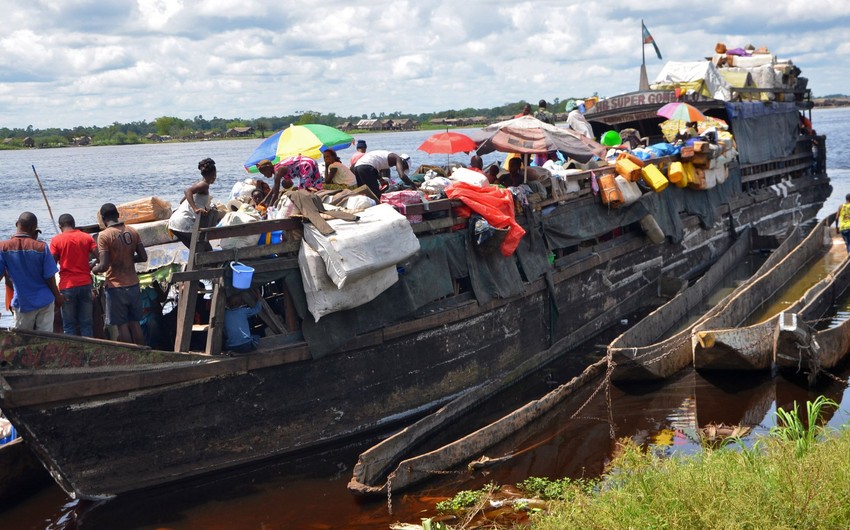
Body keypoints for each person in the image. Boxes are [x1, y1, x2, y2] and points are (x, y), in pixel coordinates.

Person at [92, 203, 147, 345]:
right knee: (135, 324)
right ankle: (143, 352)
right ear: (118, 215)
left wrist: (94, 269)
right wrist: (128, 258)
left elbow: (103, 266)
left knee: (122, 325)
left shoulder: (104, 236)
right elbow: (143, 257)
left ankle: (130, 357)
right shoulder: (132, 231)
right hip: (133, 284)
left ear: (103, 219)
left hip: (116, 286)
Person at [0, 212, 62, 331]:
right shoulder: (41, 247)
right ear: (34, 228)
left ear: (17, 224)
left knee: (22, 340)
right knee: (45, 340)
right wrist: (57, 296)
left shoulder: (3, 247)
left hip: (23, 303)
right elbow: (49, 277)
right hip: (45, 301)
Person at [49, 213, 97, 336]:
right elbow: (101, 257)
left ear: (60, 226)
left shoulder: (56, 240)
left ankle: (72, 354)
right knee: (86, 323)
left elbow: (51, 266)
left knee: (69, 325)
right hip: (85, 284)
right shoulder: (86, 237)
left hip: (67, 286)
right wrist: (90, 266)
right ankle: (89, 352)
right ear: (74, 224)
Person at [168, 157, 217, 251]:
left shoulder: (199, 184)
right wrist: (195, 208)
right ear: (214, 173)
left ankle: (194, 266)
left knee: (195, 251)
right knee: (206, 250)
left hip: (174, 223)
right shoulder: (204, 184)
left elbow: (182, 200)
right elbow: (188, 191)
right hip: (183, 222)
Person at [224, 289, 262, 354]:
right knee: (257, 337)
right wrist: (259, 298)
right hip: (246, 345)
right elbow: (257, 309)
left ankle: (233, 352)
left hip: (232, 346)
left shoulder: (225, 314)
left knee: (227, 342)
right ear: (241, 303)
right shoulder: (243, 311)